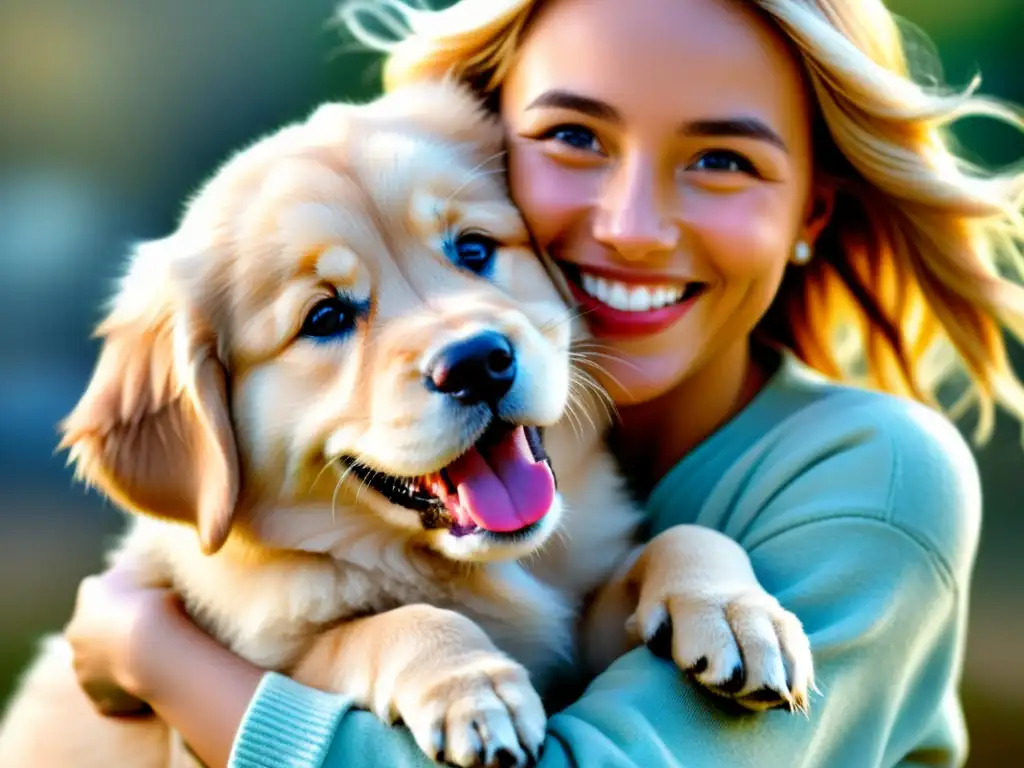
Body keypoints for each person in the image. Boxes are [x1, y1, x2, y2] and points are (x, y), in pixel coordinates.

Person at [62, 0, 1024, 765]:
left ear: (813, 208)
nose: (634, 226)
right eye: (576, 137)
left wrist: (159, 659)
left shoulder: (877, 483)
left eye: (723, 159)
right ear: (509, 149)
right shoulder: (482, 470)